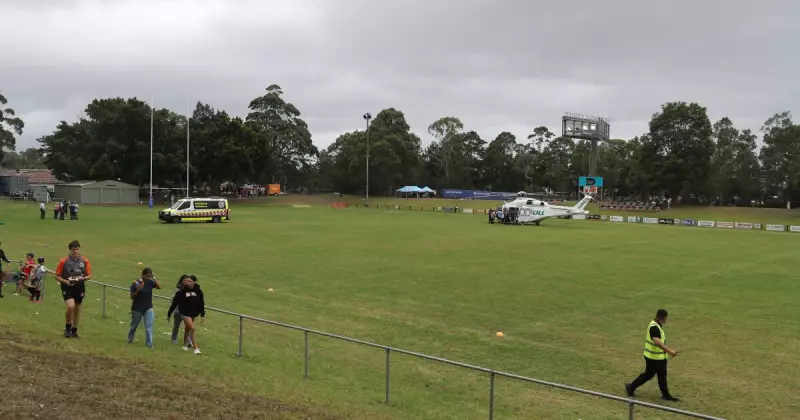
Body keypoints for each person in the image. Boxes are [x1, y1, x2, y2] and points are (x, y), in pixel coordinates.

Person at [625, 309, 680, 402]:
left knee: (661, 375)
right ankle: (631, 387)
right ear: (663, 317)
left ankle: (666, 395)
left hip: (657, 357)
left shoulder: (656, 324)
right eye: (666, 317)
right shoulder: (654, 327)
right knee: (649, 375)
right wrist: (669, 351)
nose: (667, 319)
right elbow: (657, 341)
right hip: (654, 358)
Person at [55, 240, 92, 338]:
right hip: (67, 286)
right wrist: (66, 282)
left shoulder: (84, 260)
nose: (75, 251)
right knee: (71, 306)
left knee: (77, 308)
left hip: (79, 286)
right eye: (73, 249)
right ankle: (67, 328)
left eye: (77, 249)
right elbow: (57, 276)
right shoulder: (64, 261)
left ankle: (74, 330)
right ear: (70, 249)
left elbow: (89, 275)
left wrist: (83, 278)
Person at [167, 274, 204, 354]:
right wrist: (169, 313)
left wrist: (202, 314)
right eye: (186, 281)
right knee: (192, 328)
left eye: (190, 281)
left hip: (193, 312)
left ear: (194, 282)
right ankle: (196, 348)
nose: (187, 282)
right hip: (183, 312)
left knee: (187, 329)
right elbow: (174, 303)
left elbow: (201, 302)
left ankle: (184, 345)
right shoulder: (181, 292)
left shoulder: (198, 291)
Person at [127, 267, 161, 347]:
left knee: (149, 327)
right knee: (134, 325)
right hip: (137, 308)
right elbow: (132, 297)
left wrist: (154, 278)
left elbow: (159, 287)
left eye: (149, 276)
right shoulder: (136, 283)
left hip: (148, 307)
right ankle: (129, 339)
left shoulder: (150, 282)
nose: (148, 278)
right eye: (146, 276)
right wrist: (138, 290)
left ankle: (149, 344)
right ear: (142, 275)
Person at [170, 274, 194, 347]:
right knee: (176, 326)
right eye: (184, 280)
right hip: (178, 311)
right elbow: (173, 299)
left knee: (188, 326)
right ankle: (174, 339)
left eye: (188, 280)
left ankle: (189, 341)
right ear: (181, 281)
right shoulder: (178, 289)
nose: (186, 282)